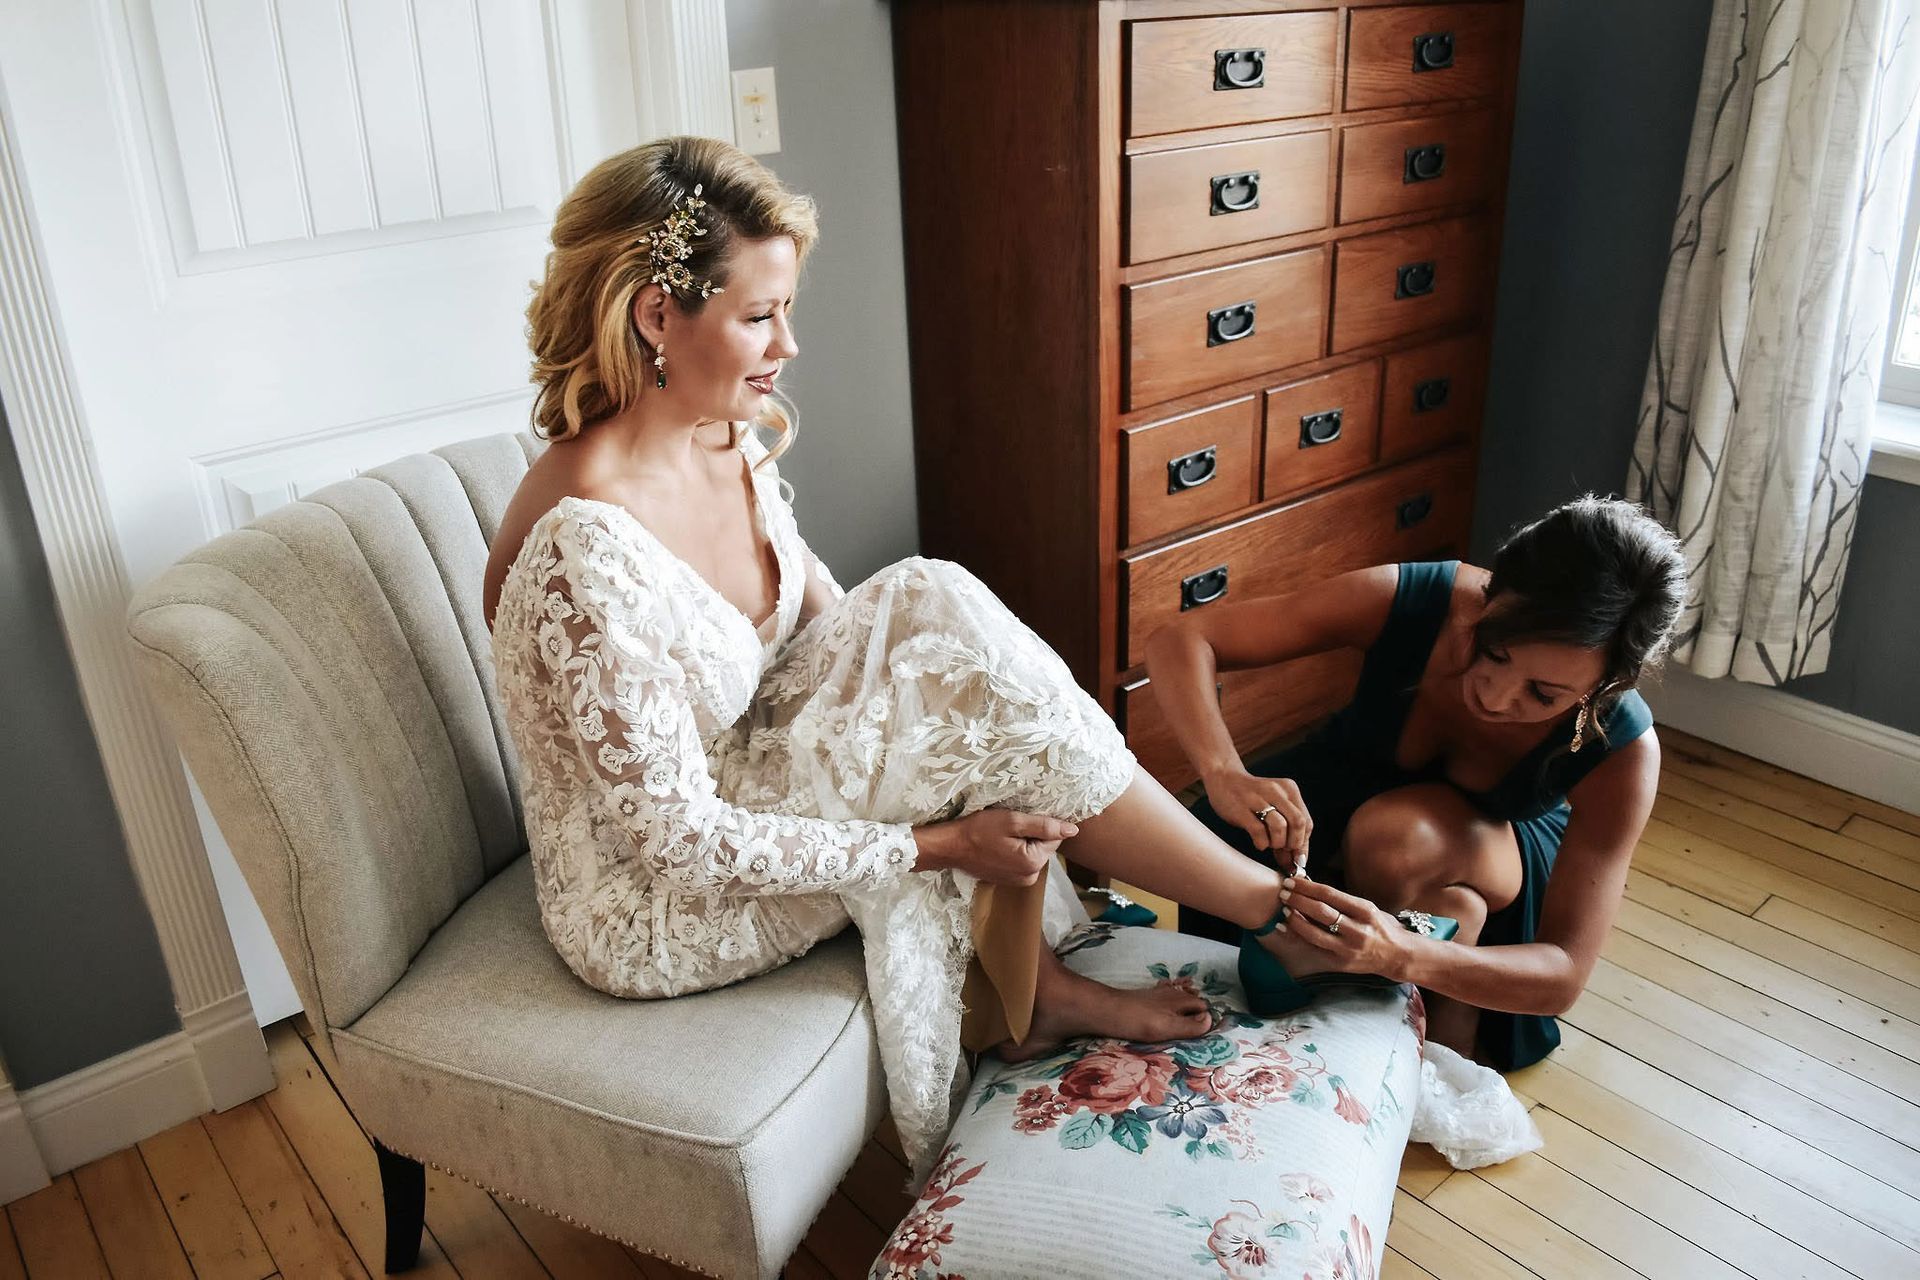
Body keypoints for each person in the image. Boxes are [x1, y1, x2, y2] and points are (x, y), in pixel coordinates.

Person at [479, 136, 1288, 1180]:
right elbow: (678, 843)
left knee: (930, 601)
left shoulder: (720, 429)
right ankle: (1260, 907)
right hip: (652, 898)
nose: (791, 345)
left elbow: (834, 613)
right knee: (938, 670)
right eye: (761, 314)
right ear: (655, 315)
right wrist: (941, 842)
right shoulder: (584, 540)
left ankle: (1084, 968)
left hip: (739, 771)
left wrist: (941, 690)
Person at [1148, 499, 1686, 1069]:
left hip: (1491, 853)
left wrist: (1401, 953)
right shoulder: (1415, 599)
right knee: (1231, 834)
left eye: (1544, 695)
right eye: (1494, 650)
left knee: (1399, 837)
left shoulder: (1623, 750)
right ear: (1489, 595)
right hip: (1341, 793)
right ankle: (1439, 989)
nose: (1497, 697)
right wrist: (1225, 770)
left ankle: (1399, 1000)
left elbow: (1564, 976)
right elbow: (1183, 638)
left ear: (1606, 687)